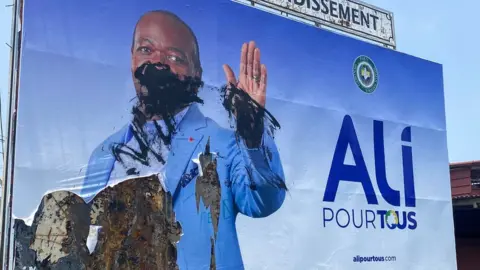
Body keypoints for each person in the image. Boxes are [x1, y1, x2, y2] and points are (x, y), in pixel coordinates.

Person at [80, 10, 286, 269]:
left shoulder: (224, 144)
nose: (158, 62)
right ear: (132, 59)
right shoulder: (104, 155)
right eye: (146, 49)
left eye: (175, 57)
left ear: (197, 74)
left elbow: (264, 201)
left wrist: (253, 129)